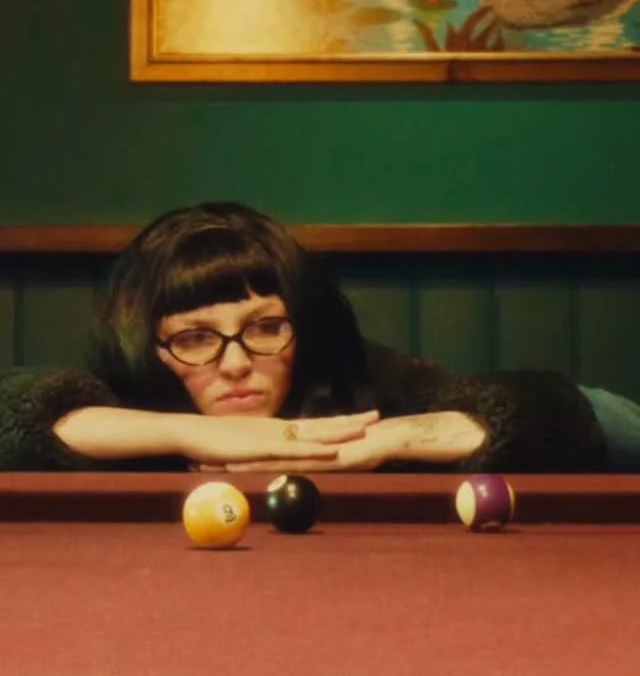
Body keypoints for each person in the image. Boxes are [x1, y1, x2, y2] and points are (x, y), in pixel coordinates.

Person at [0, 201, 638, 473]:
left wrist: (396, 437)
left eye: (265, 328)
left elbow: (612, 421)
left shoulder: (361, 384)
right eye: (194, 338)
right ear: (150, 347)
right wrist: (190, 433)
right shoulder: (127, 392)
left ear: (302, 327)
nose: (234, 364)